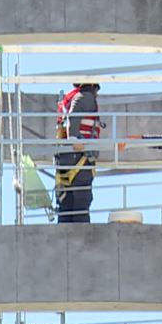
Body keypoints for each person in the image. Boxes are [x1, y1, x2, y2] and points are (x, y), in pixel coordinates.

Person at [53, 83, 103, 223]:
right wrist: (74, 138)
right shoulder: (85, 97)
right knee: (81, 201)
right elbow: (73, 117)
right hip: (79, 157)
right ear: (93, 87)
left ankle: (65, 238)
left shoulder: (71, 99)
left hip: (66, 158)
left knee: (66, 203)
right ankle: (82, 238)